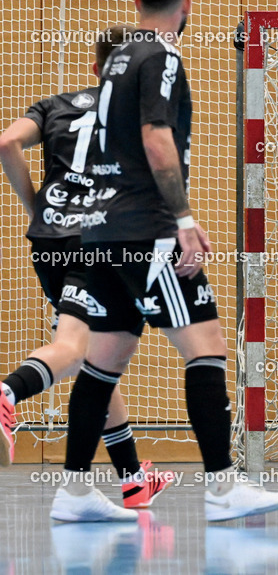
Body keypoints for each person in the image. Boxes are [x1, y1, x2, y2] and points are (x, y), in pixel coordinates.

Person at [50, 0, 278, 522]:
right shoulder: (161, 54)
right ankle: (223, 487)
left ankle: (74, 492)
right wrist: (182, 218)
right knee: (206, 346)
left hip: (102, 229)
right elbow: (155, 134)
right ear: (187, 3)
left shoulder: (117, 57)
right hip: (147, 229)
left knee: (104, 359)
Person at [0, 25, 173, 509]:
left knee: (98, 358)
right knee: (77, 349)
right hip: (102, 241)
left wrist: (37, 208)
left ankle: (133, 478)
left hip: (50, 241)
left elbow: (7, 143)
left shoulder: (53, 106)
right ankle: (8, 393)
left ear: (96, 69)